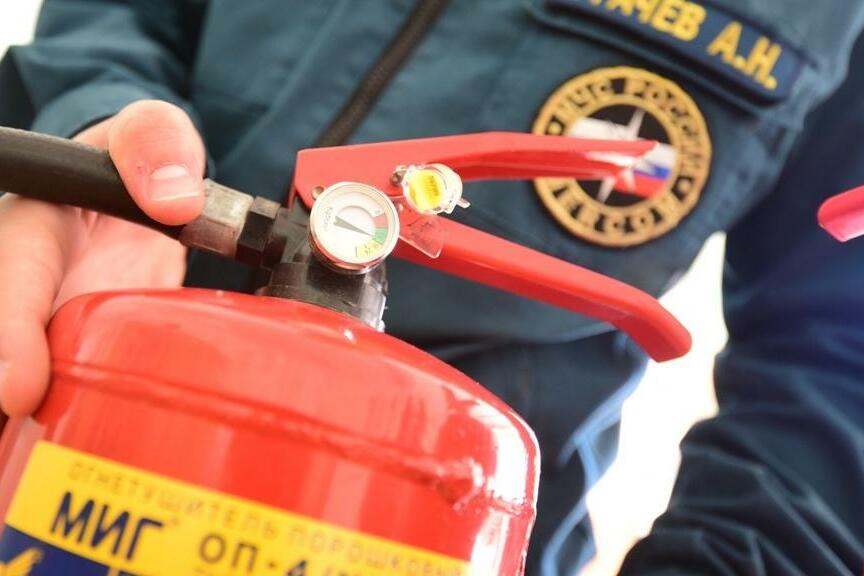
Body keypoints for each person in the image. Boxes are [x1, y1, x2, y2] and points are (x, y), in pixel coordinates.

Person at [1, 1, 863, 574]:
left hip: (445, 531)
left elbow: (838, 360)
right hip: (57, 442)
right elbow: (119, 17)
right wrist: (93, 127)